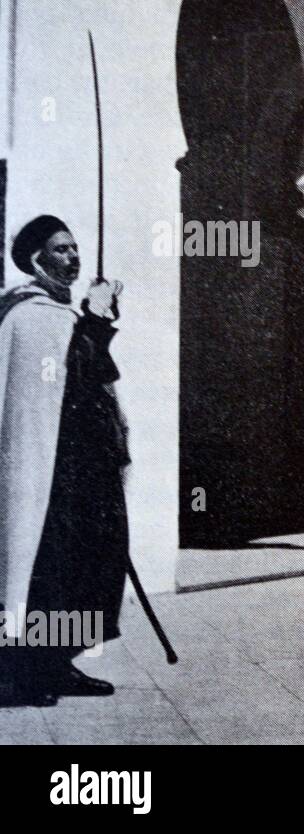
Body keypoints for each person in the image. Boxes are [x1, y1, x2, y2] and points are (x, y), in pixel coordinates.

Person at [0, 215, 129, 706]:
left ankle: (58, 663)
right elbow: (72, 377)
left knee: (85, 566)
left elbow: (93, 373)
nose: (73, 257)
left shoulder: (60, 316)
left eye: (75, 248)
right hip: (50, 471)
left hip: (80, 469)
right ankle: (35, 672)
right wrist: (95, 320)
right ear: (36, 259)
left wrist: (95, 321)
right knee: (50, 567)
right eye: (60, 250)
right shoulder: (31, 316)